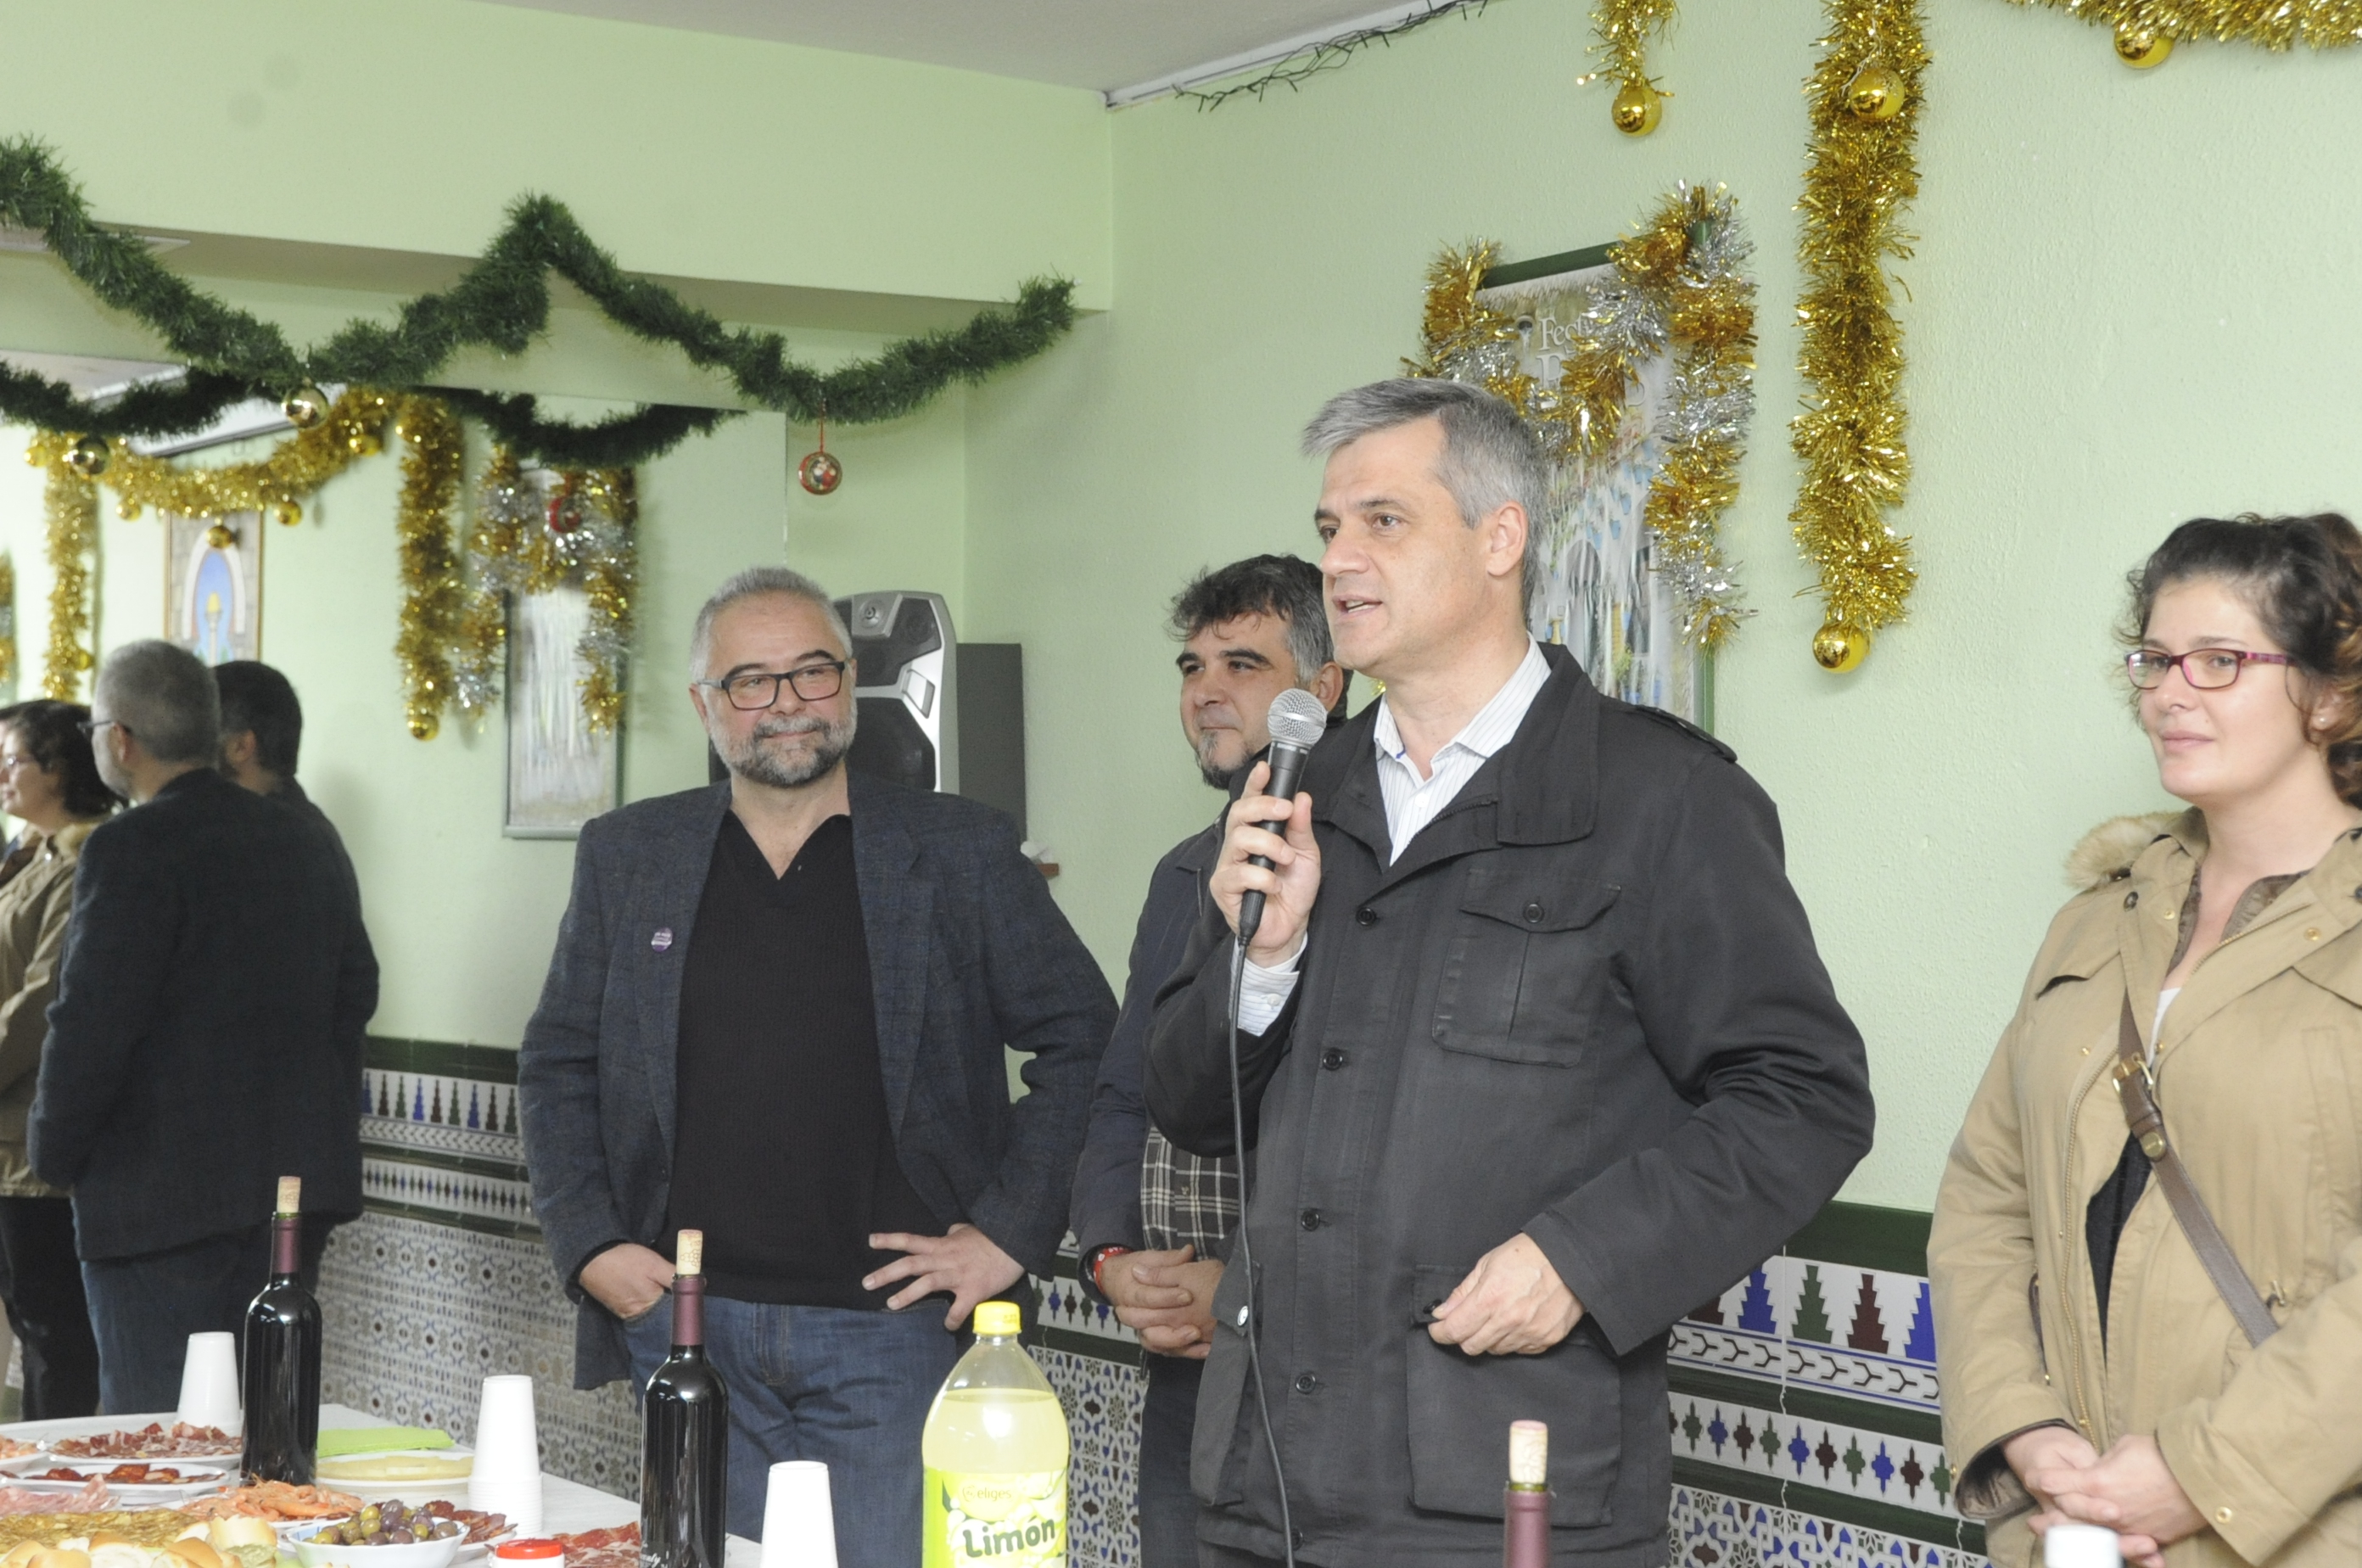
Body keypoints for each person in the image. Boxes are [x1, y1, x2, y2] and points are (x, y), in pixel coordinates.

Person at [1144, 379, 1876, 1567]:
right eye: (1330, 528)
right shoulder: (1293, 794)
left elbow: (1804, 1098)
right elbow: (1185, 1104)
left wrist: (1584, 1261)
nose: (1339, 561)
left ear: (1500, 538)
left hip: (1507, 1488)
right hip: (1264, 1484)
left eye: (1384, 521)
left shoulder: (1662, 799)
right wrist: (1260, 961)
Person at [518, 565, 1115, 1567]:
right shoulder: (631, 854)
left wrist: (1007, 1235)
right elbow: (558, 1060)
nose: (788, 703)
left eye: (813, 672)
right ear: (705, 703)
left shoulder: (959, 850)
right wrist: (588, 1244)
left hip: (895, 1333)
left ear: (849, 684)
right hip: (686, 1326)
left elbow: (1086, 1038)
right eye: (751, 681)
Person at [1930, 513, 2362, 1568]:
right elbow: (1987, 1198)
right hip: (2068, 1529)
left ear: (2330, 695)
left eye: (2220, 661)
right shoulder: (2093, 921)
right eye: (2156, 660)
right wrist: (2025, 1429)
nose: (2171, 692)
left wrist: (2197, 1475)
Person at [1068, 556, 1345, 1568]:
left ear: (1323, 690)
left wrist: (1240, 1286)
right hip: (1187, 1365)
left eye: (1242, 664)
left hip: (1325, 1365)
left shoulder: (1366, 869)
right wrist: (1112, 1261)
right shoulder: (1185, 871)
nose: (1205, 692)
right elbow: (1122, 1094)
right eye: (1192, 667)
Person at [28, 640, 377, 1414]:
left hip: (156, 1198)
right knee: (268, 1428)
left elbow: (92, 1023)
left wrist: (53, 1152)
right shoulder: (303, 835)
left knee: (161, 1434)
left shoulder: (130, 845)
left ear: (121, 740)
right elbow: (358, 988)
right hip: (291, 1191)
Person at [0, 700, 119, 1417]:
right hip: (7, 1139)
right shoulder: (30, 856)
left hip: (36, 1145)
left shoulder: (85, 863)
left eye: (12, 759)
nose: (1, 774)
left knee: (54, 1336)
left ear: (59, 769)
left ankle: (54, 1475)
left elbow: (41, 1004)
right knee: (31, 1322)